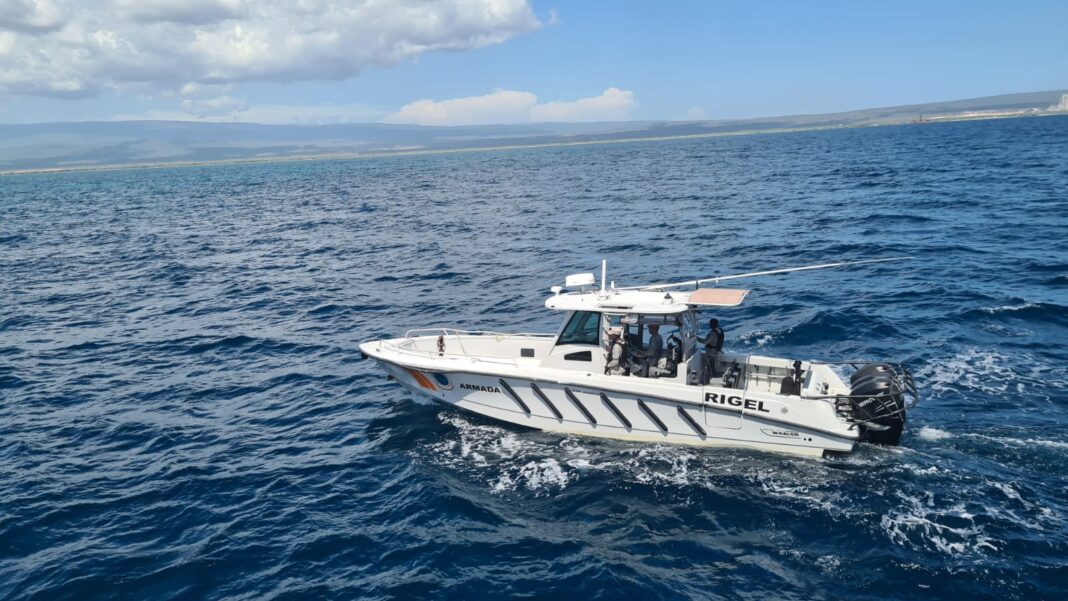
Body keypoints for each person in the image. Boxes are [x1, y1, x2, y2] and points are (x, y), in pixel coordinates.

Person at [699, 318, 725, 382]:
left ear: (712, 324)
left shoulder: (712, 333)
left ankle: (710, 382)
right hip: (719, 352)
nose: (709, 325)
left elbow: (705, 342)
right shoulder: (720, 330)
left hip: (712, 354)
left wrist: (696, 338)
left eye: (710, 324)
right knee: (715, 370)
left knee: (711, 371)